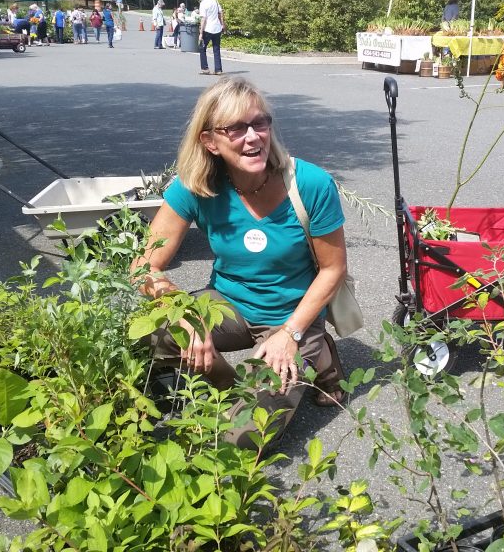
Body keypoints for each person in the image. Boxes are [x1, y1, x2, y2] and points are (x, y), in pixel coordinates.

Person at [134, 77, 348, 448]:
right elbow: (144, 265)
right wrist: (183, 315)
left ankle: (318, 351)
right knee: (156, 333)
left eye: (259, 123)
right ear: (209, 141)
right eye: (235, 128)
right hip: (229, 304)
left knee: (237, 441)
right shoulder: (195, 186)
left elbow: (333, 269)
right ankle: (229, 385)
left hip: (292, 316)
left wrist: (290, 334)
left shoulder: (311, 184)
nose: (253, 137)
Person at [197, 0, 224, 75]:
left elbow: (203, 19)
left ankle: (205, 68)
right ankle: (218, 69)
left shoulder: (203, 3)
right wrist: (222, 24)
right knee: (216, 49)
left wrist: (201, 33)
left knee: (202, 47)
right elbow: (220, 13)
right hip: (217, 28)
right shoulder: (215, 1)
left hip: (208, 29)